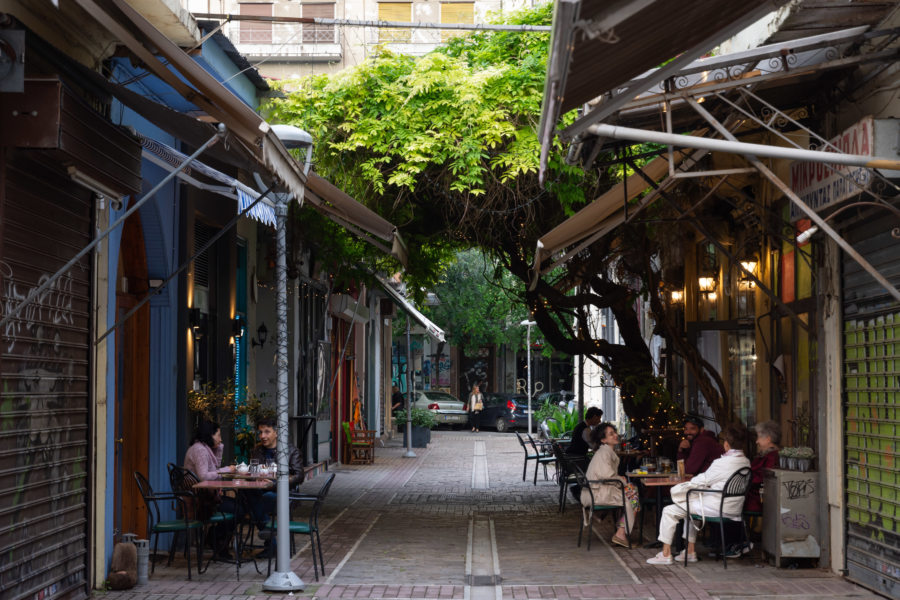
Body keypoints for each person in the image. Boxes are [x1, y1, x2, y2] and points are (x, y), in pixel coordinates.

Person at [646, 425, 750, 565]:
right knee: (690, 505)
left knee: (669, 510)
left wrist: (678, 488)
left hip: (717, 507)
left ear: (726, 444)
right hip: (734, 507)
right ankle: (690, 551)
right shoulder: (745, 461)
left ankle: (665, 554)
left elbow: (701, 481)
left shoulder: (723, 462)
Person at [249, 417, 304, 558]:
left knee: (259, 502)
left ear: (276, 433)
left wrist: (275, 484)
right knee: (246, 497)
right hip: (260, 490)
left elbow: (299, 476)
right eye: (260, 432)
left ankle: (270, 542)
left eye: (267, 432)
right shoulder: (257, 450)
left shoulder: (291, 451)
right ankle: (272, 544)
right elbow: (253, 471)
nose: (262, 436)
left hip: (285, 494)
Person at [183, 419, 234, 558]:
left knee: (239, 506)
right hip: (199, 501)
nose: (221, 438)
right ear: (209, 435)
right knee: (238, 508)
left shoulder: (204, 448)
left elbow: (214, 466)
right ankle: (216, 540)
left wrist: (219, 447)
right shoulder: (200, 450)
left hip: (205, 496)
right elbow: (204, 476)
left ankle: (216, 541)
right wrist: (227, 469)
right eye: (218, 435)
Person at [580, 423, 638, 548]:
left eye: (615, 432)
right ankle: (621, 533)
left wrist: (620, 480)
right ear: (603, 439)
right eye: (611, 434)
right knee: (633, 495)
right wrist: (621, 479)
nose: (616, 435)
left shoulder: (605, 451)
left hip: (596, 490)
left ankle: (620, 529)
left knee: (632, 492)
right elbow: (606, 475)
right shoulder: (604, 453)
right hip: (597, 493)